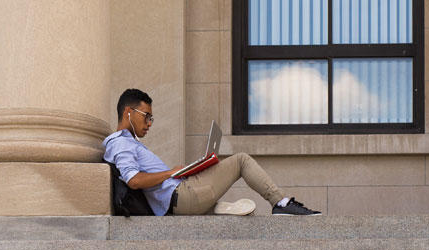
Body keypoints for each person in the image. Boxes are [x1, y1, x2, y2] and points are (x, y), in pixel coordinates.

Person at [102, 88, 320, 216]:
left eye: (151, 118)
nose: (149, 123)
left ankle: (218, 207)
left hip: (180, 193)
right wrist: (171, 173)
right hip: (181, 197)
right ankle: (280, 203)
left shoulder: (130, 143)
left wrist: (185, 172)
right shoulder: (120, 143)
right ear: (129, 112)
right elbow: (134, 180)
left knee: (218, 171)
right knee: (241, 160)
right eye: (146, 116)